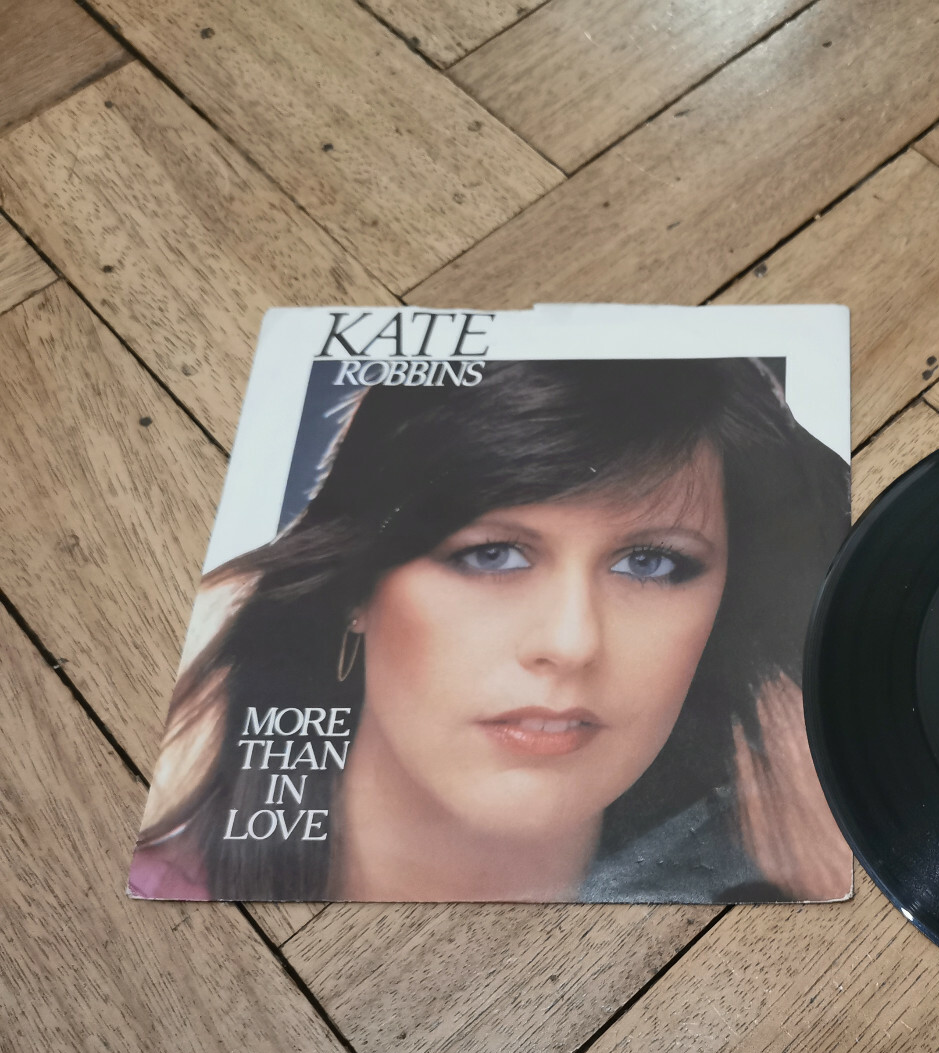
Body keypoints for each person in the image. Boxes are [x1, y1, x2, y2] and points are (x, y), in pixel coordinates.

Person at [128, 358, 852, 903]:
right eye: (492, 555)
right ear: (357, 585)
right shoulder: (168, 911)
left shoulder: (759, 929)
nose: (571, 643)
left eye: (650, 563)